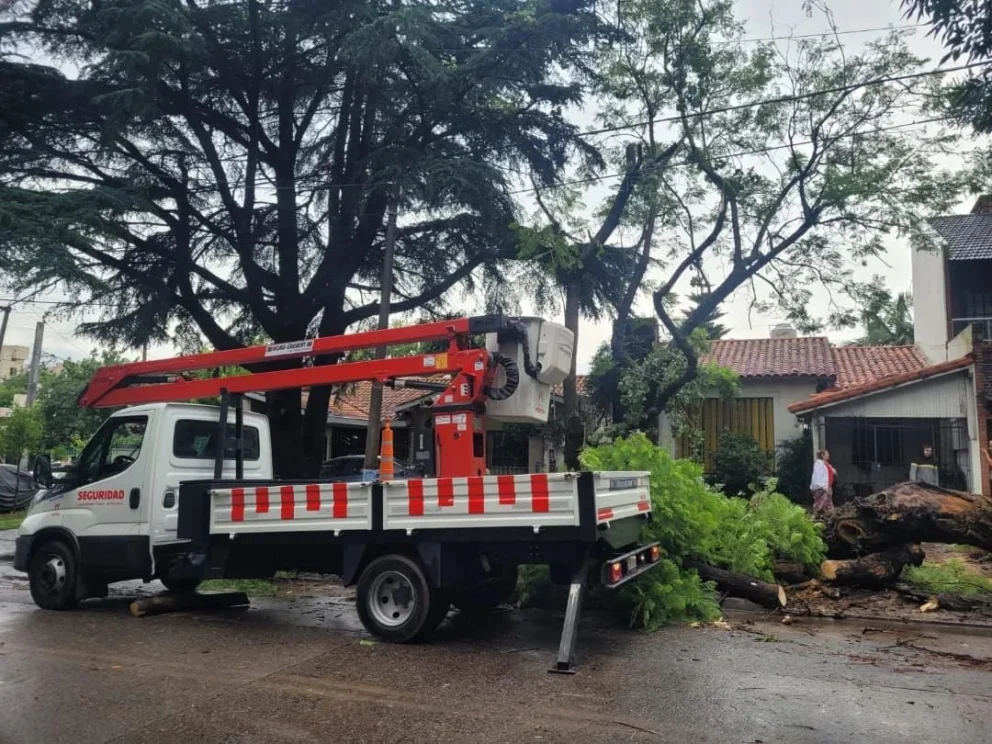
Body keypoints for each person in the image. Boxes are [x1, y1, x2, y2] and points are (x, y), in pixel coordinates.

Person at [810, 449, 834, 516]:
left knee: (828, 506)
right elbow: (818, 477)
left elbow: (828, 473)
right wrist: (823, 487)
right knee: (820, 505)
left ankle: (826, 517)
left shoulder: (825, 464)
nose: (829, 455)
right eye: (827, 454)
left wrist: (833, 470)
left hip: (827, 487)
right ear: (822, 455)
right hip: (822, 488)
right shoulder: (819, 465)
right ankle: (815, 517)